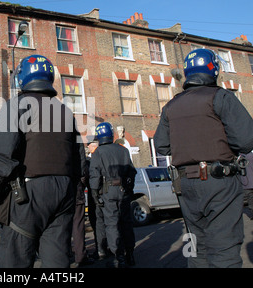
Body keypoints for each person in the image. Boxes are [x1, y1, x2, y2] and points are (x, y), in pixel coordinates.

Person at [0, 54, 86, 268]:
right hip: (64, 195)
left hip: (27, 196)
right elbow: (79, 161)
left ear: (22, 78)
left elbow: (2, 158)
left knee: (14, 260)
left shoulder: (15, 106)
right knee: (57, 260)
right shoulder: (65, 112)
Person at [154, 48, 253, 268]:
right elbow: (246, 141)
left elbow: (161, 146)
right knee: (224, 249)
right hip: (220, 182)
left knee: (197, 249)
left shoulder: (171, 106)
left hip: (186, 185)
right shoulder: (221, 96)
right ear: (213, 69)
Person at [89, 122, 137, 268]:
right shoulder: (122, 150)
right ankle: (130, 255)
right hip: (123, 190)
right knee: (126, 223)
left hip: (107, 192)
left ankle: (118, 257)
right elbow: (132, 171)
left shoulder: (98, 153)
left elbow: (94, 175)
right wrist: (129, 188)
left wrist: (95, 193)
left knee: (112, 224)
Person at [240, 151, 253, 219]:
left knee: (250, 200)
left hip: (246, 182)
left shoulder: (239, 157)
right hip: (248, 182)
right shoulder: (250, 155)